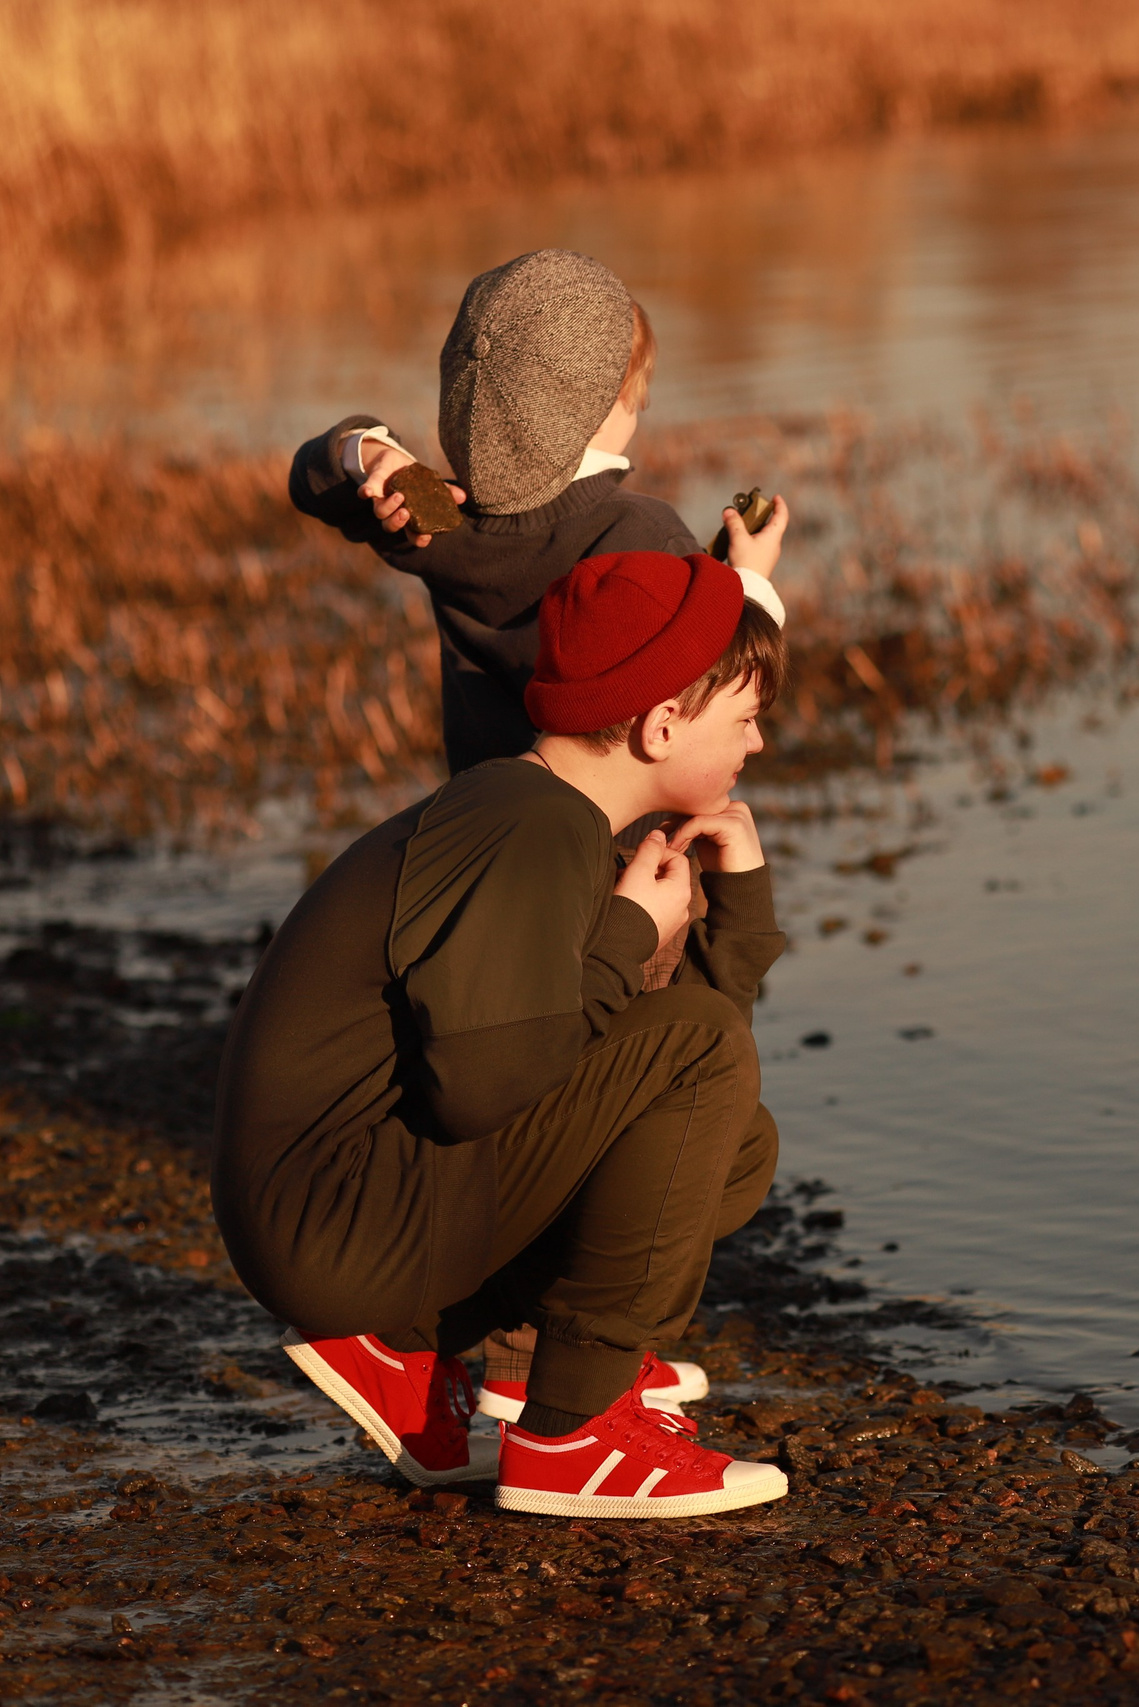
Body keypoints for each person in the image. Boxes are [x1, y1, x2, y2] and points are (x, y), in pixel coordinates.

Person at [213, 544, 795, 1517]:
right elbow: (485, 1083)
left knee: (734, 1141)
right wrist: (624, 938)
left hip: (374, 1206)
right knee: (693, 1051)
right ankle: (572, 1430)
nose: (759, 745)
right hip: (337, 1228)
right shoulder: (526, 828)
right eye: (746, 719)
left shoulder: (559, 822)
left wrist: (735, 901)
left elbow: (678, 1089)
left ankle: (476, 1362)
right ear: (660, 726)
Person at [286, 248, 785, 773]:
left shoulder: (439, 523)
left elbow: (309, 480)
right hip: (618, 835)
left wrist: (368, 453)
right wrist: (751, 581)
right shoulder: (645, 532)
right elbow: (725, 681)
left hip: (490, 812)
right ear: (609, 401)